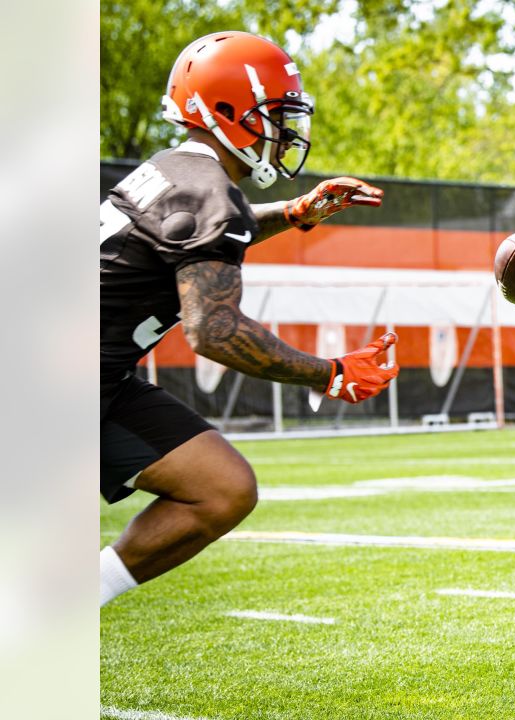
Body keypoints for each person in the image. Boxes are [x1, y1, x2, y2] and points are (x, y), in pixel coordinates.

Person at [100, 31, 399, 607]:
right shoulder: (209, 192)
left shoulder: (172, 170)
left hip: (93, 376)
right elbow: (210, 329)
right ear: (229, 112)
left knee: (221, 488)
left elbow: (199, 237)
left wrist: (294, 212)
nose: (286, 132)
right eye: (276, 116)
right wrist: (327, 372)